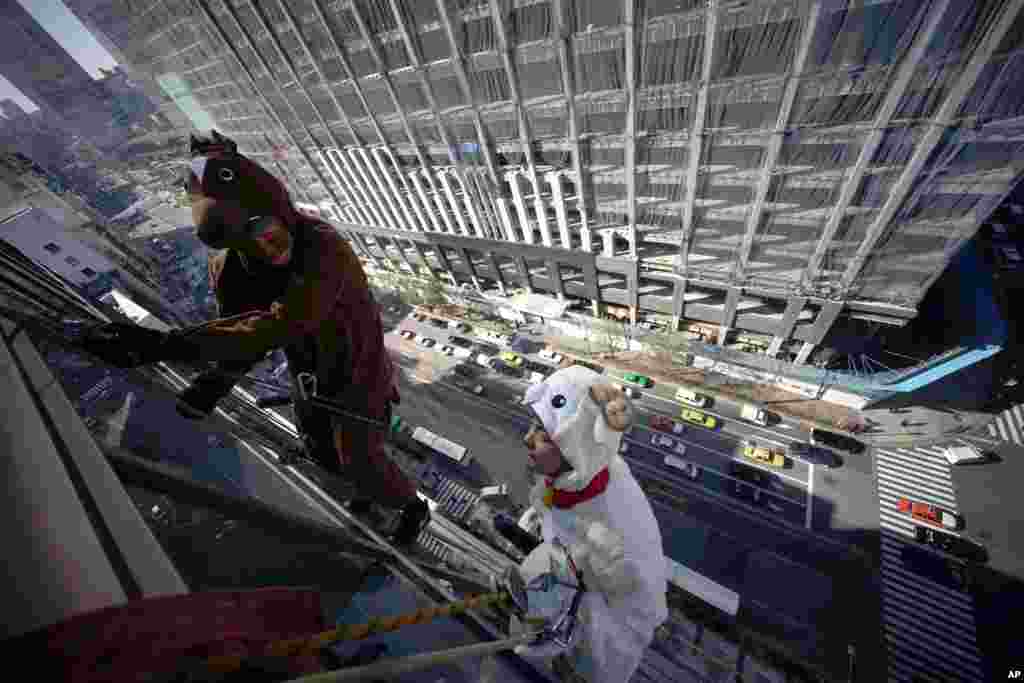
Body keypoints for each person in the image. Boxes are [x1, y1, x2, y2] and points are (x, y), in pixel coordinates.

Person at [79, 130, 429, 545]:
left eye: (271, 236)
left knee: (357, 452)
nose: (271, 252)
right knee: (320, 449)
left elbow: (282, 324)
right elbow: (243, 329)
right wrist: (216, 380)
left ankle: (412, 507)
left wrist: (166, 347)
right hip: (309, 370)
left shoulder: (322, 247)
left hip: (359, 365)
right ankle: (368, 493)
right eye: (255, 243)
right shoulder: (232, 267)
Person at [512, 365, 668, 683]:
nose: (527, 438)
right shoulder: (584, 476)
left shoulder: (610, 530)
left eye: (542, 436)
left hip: (601, 655)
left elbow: (634, 615)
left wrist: (557, 614)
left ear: (575, 446)